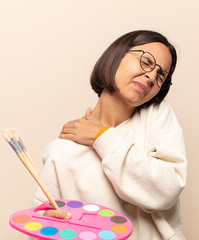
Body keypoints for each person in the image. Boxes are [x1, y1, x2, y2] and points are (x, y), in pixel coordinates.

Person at [32, 30, 187, 240]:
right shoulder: (62, 151)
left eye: (161, 76)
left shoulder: (157, 116)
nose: (152, 77)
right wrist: (51, 225)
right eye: (147, 62)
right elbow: (41, 225)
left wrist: (102, 137)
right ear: (117, 55)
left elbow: (166, 190)